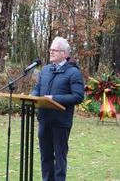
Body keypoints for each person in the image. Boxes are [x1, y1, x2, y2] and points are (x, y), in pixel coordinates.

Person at [31, 37, 84, 181]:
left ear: (64, 54)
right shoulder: (46, 70)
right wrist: (33, 98)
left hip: (61, 122)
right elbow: (37, 89)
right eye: (51, 50)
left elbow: (78, 96)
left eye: (55, 50)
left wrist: (54, 98)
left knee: (60, 158)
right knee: (45, 157)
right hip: (44, 120)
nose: (51, 52)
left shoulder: (73, 72)